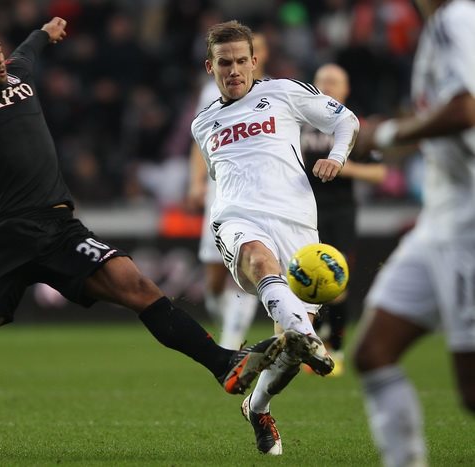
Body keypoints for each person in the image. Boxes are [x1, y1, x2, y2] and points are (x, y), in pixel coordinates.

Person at [0, 17, 294, 457]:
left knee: (136, 285)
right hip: (5, 239)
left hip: (59, 228)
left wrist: (46, 31)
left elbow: (29, 49)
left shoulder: (18, 76)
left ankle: (223, 364)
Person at [190, 21, 360, 455]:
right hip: (238, 219)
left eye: (240, 61)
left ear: (254, 61)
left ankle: (258, 405)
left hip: (298, 227)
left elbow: (346, 121)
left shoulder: (284, 92)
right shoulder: (203, 123)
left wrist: (337, 158)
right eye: (223, 63)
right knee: (257, 258)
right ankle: (307, 335)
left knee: (288, 357)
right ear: (210, 67)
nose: (233, 70)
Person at [352, 1, 475, 466]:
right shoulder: (443, 26)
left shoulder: (456, 18)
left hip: (469, 224)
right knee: (373, 353)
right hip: (440, 218)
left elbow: (464, 110)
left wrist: (388, 135)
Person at [300, 63, 387, 376]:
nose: (327, 87)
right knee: (304, 280)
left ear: (346, 90)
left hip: (340, 211)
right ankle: (311, 345)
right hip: (302, 210)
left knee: (336, 284)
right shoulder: (298, 122)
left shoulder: (354, 127)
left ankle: (335, 348)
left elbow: (379, 173)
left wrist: (346, 167)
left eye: (334, 82)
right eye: (322, 81)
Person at [187, 32, 269, 350]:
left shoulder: (275, 91)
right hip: (219, 192)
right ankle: (229, 331)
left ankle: (232, 345)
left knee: (248, 269)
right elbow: (200, 142)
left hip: (258, 197)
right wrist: (196, 182)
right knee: (214, 283)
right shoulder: (214, 90)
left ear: (257, 58)